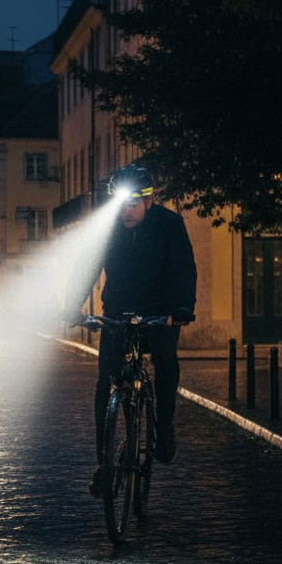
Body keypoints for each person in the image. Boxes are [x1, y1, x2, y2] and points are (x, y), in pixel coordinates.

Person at [78, 163, 197, 469]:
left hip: (161, 311)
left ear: (148, 201)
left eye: (133, 205)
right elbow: (88, 268)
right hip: (118, 309)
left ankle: (164, 426)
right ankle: (103, 463)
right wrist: (73, 305)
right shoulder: (109, 229)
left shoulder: (169, 224)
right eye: (121, 206)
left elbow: (184, 269)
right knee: (106, 381)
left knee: (166, 364)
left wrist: (181, 309)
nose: (126, 212)